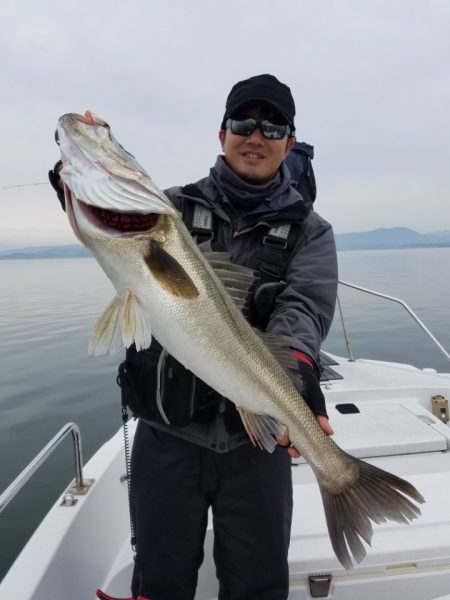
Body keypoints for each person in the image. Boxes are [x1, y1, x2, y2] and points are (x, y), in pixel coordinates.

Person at [49, 74, 337, 600]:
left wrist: (295, 369)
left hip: (256, 448)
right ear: (221, 133)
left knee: (258, 586)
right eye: (242, 122)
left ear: (289, 143)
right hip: (168, 439)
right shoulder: (170, 208)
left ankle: (342, 479)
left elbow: (304, 308)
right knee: (159, 581)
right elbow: (117, 231)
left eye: (272, 125)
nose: (256, 134)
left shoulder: (310, 232)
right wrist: (79, 181)